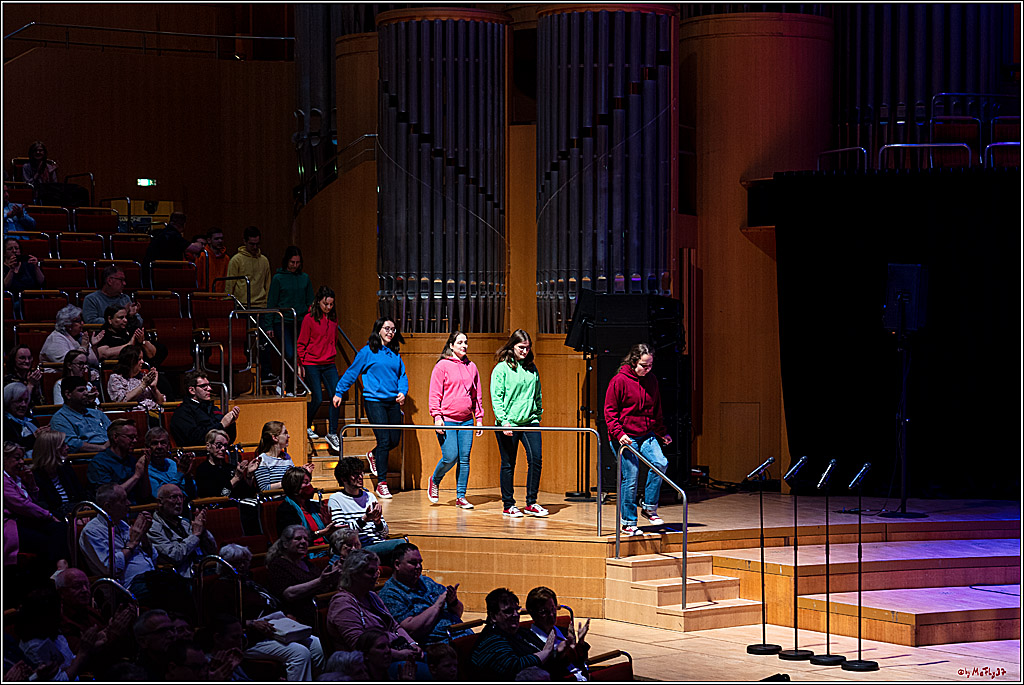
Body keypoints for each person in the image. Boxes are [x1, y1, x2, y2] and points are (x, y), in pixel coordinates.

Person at [214, 544, 325, 682]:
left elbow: (272, 601)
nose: (242, 566)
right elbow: (221, 619)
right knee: (300, 653)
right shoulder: (220, 587)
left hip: (274, 628)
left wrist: (287, 615)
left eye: (245, 561)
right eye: (236, 563)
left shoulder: (250, 582)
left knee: (317, 645)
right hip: (251, 637)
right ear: (225, 565)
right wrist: (251, 623)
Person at [333, 317, 408, 499]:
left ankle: (373, 455)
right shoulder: (367, 352)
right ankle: (382, 483)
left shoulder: (394, 353)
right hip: (374, 401)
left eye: (393, 329)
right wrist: (339, 392)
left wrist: (402, 391)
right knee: (384, 440)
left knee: (394, 440)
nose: (390, 332)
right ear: (378, 330)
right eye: (387, 329)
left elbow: (402, 375)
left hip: (392, 402)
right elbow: (352, 372)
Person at [603, 343, 672, 536]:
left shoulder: (652, 380)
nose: (647, 369)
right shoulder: (619, 380)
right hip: (624, 436)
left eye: (650, 365)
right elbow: (609, 412)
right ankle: (628, 522)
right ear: (634, 362)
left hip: (646, 434)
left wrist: (662, 432)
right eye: (644, 365)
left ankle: (649, 507)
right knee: (631, 476)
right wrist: (619, 434)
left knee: (660, 463)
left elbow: (656, 410)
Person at [327, 550, 423, 662]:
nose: (376, 576)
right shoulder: (342, 604)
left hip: (393, 653)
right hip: (367, 664)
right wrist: (400, 655)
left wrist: (412, 644)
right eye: (370, 572)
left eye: (376, 571)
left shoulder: (371, 596)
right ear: (354, 574)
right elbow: (361, 648)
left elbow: (394, 625)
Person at [491, 330, 547, 518]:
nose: (524, 351)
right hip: (508, 423)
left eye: (527, 348)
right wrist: (504, 421)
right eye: (521, 347)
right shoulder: (501, 369)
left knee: (536, 460)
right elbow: (496, 397)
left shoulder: (532, 368)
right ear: (512, 346)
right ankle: (508, 505)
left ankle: (531, 502)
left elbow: (537, 393)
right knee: (508, 463)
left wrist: (537, 414)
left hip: (530, 422)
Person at [427, 331, 484, 509]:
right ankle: (435, 479)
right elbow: (435, 394)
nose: (464, 346)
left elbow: (476, 395)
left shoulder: (472, 367)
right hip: (447, 419)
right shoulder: (442, 366)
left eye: (465, 342)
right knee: (450, 456)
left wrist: (479, 418)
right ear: (451, 345)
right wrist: (437, 417)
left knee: (464, 459)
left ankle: (461, 496)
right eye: (460, 342)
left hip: (466, 420)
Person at [378, 542, 466, 644]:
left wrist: (453, 602)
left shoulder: (427, 582)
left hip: (461, 634)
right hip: (439, 645)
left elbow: (458, 613)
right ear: (397, 565)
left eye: (420, 562)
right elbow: (410, 631)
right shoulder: (390, 594)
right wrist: (437, 606)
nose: (418, 566)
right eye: (413, 563)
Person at [470, 587, 561, 680]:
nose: (516, 615)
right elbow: (515, 667)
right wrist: (546, 651)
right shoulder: (490, 640)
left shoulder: (519, 632)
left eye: (516, 610)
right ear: (493, 616)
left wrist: (558, 652)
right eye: (508, 611)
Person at [78, 483, 158, 587]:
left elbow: (154, 558)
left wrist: (143, 536)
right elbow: (112, 569)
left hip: (150, 576)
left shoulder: (122, 524)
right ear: (108, 506)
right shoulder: (92, 531)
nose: (129, 503)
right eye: (123, 500)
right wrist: (132, 543)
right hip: (128, 585)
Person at [327, 457, 404, 562]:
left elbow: (384, 533)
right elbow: (342, 535)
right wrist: (364, 519)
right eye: (355, 474)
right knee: (400, 544)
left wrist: (378, 522)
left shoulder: (369, 496)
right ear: (344, 479)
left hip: (377, 544)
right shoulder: (336, 499)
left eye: (361, 473)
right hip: (358, 547)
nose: (360, 477)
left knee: (406, 551)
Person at [3, 441, 68, 567]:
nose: (22, 462)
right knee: (47, 540)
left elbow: (32, 501)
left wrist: (31, 483)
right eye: (17, 458)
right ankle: (58, 569)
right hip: (10, 524)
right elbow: (21, 505)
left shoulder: (16, 477)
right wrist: (48, 515)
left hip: (25, 520)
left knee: (60, 526)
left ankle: (61, 568)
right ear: (4, 459)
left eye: (22, 458)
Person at [265, 524, 341, 628]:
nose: (303, 542)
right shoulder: (278, 565)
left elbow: (322, 584)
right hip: (298, 614)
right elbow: (289, 594)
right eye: (298, 538)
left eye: (306, 539)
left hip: (321, 608)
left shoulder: (305, 562)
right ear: (285, 544)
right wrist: (320, 581)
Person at [297, 285, 341, 450]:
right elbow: (301, 344)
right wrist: (301, 364)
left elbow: (334, 339)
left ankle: (332, 433)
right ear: (318, 302)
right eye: (325, 304)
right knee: (317, 397)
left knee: (336, 396)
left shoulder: (333, 319)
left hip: (328, 363)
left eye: (331, 304)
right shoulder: (309, 319)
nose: (328, 307)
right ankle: (307, 424)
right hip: (312, 363)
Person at [266, 245, 313, 389]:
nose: (295, 265)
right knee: (290, 352)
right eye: (292, 262)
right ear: (287, 261)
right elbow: (271, 302)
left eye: (297, 262)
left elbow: (310, 301)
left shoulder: (304, 278)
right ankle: (285, 381)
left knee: (300, 353)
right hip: (283, 321)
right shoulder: (278, 278)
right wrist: (268, 325)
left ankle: (291, 384)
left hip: (300, 321)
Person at [520, 586, 590, 681]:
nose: (551, 614)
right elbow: (546, 673)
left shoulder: (564, 631)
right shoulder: (528, 641)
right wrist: (558, 654)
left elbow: (580, 662)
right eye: (544, 611)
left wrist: (580, 643)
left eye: (553, 608)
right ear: (533, 613)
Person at [147, 483, 216, 578]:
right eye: (173, 497)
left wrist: (202, 530)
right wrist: (195, 535)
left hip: (202, 569)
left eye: (181, 497)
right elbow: (175, 556)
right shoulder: (152, 528)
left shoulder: (185, 523)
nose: (179, 501)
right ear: (160, 502)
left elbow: (212, 550)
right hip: (180, 577)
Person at [86, 418, 153, 504]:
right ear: (115, 437)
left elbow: (145, 495)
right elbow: (109, 498)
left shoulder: (132, 460)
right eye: (131, 437)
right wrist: (136, 476)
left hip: (136, 507)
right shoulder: (99, 463)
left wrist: (145, 471)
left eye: (135, 437)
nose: (135, 441)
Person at [170, 371, 240, 448]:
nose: (210, 389)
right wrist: (221, 425)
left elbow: (230, 439)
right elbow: (194, 439)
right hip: (199, 452)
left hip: (218, 450)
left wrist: (230, 423)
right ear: (192, 390)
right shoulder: (182, 412)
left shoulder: (212, 408)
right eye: (204, 386)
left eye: (209, 385)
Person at [29, 429, 86, 519]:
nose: (67, 447)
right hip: (56, 518)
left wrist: (84, 509)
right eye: (63, 445)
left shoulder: (65, 468)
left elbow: (81, 494)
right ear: (51, 450)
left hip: (75, 511)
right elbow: (44, 507)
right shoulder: (34, 476)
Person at [276, 466, 339, 547]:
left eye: (310, 482)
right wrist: (321, 532)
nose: (310, 486)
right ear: (294, 486)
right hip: (305, 550)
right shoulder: (286, 509)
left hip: (325, 548)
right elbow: (293, 538)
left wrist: (327, 523)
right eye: (306, 483)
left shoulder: (314, 506)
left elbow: (328, 533)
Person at [49, 377, 111, 453]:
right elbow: (72, 444)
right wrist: (102, 448)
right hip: (87, 457)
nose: (86, 393)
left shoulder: (98, 413)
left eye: (86, 389)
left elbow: (113, 432)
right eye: (81, 390)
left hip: (111, 453)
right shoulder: (60, 418)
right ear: (68, 395)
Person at [253, 421, 314, 493]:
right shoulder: (263, 460)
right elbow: (264, 488)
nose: (288, 436)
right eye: (285, 433)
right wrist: (287, 483)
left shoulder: (286, 457)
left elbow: (293, 479)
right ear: (275, 437)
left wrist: (303, 473)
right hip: (275, 498)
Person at [107, 344, 164, 414]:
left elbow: (161, 402)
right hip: (136, 414)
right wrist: (143, 385)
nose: (143, 362)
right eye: (139, 359)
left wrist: (154, 387)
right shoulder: (116, 378)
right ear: (130, 361)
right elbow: (121, 401)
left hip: (155, 412)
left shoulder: (143, 377)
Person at [225, 225, 271, 309]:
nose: (255, 247)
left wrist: (267, 302)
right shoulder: (236, 260)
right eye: (252, 244)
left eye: (257, 244)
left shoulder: (264, 260)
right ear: (245, 242)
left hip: (261, 305)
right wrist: (228, 302)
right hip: (241, 305)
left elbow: (267, 284)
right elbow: (230, 284)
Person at [144, 427, 192, 497]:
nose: (159, 447)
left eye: (163, 443)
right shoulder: (145, 470)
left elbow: (192, 493)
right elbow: (159, 496)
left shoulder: (173, 464)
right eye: (155, 443)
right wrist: (180, 473)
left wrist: (188, 476)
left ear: (168, 446)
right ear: (147, 447)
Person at [3, 236, 44, 302]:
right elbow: (5, 286)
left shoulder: (28, 264)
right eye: (10, 249)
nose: (14, 251)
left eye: (16, 248)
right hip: (11, 300)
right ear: (4, 253)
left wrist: (36, 267)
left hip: (31, 299)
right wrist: (11, 270)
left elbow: (41, 282)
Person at [3, 382, 42, 453]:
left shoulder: (31, 420)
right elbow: (12, 447)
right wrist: (35, 437)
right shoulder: (5, 423)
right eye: (19, 400)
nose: (24, 405)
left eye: (26, 401)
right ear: (8, 401)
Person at [4, 344, 44, 408]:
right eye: (22, 358)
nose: (27, 361)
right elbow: (21, 404)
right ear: (13, 359)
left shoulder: (33, 377)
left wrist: (36, 388)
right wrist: (30, 385)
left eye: (29, 358)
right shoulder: (7, 380)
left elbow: (41, 403)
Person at [195, 227, 230, 292]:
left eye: (221, 238)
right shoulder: (203, 256)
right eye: (216, 239)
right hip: (206, 294)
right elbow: (198, 277)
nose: (220, 241)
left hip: (222, 294)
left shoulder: (226, 258)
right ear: (209, 240)